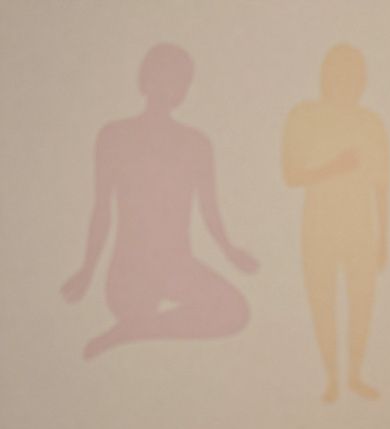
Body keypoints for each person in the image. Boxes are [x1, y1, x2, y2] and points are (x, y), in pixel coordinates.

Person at [62, 43, 257, 360]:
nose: (169, 87)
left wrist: (229, 250)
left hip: (176, 265)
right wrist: (88, 269)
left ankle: (132, 331)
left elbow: (209, 210)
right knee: (133, 307)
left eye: (179, 81)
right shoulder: (114, 136)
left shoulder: (197, 145)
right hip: (129, 271)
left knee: (235, 312)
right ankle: (134, 324)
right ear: (146, 79)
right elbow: (102, 209)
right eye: (163, 77)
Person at [282, 44, 388, 402]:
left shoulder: (370, 122)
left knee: (361, 302)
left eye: (354, 72)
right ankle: (330, 377)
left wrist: (384, 237)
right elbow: (291, 174)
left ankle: (355, 375)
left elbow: (382, 184)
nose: (348, 80)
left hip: (361, 226)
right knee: (322, 300)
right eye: (340, 71)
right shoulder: (304, 115)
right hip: (319, 224)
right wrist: (333, 168)